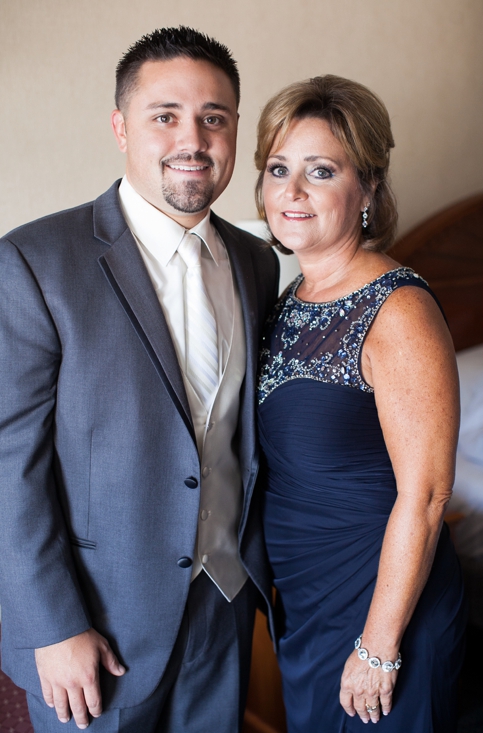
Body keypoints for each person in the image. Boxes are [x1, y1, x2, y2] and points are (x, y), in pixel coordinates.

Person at [0, 27, 281, 732]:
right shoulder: (34, 261)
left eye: (213, 117)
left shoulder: (257, 262)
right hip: (93, 627)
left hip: (222, 604)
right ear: (122, 127)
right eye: (166, 116)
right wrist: (50, 626)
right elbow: (10, 465)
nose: (193, 138)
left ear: (234, 131)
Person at [254, 75, 467, 731]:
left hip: (381, 613)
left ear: (368, 188)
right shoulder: (284, 298)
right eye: (278, 168)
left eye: (320, 171)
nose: (292, 192)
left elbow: (427, 496)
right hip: (308, 611)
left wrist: (378, 645)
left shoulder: (398, 309)